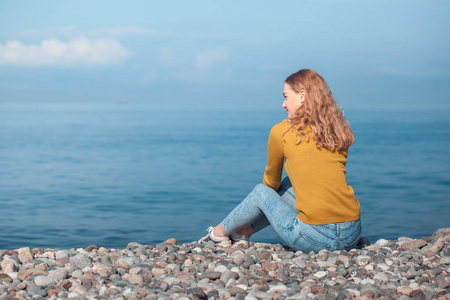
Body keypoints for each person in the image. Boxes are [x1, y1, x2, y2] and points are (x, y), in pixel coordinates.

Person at [200, 69, 361, 253]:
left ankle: (218, 233)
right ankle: (243, 232)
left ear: (302, 96)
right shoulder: (337, 130)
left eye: (286, 96)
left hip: (314, 239)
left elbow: (270, 183)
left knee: (262, 192)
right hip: (351, 233)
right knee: (291, 184)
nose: (283, 104)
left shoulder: (282, 131)